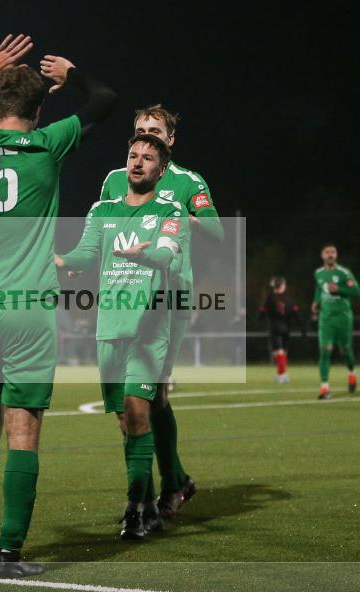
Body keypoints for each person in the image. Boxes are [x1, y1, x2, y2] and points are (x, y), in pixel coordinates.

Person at [0, 34, 115, 578]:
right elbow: (104, 99)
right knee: (24, 428)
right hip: (29, 308)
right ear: (39, 109)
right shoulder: (49, 143)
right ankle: (9, 552)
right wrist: (72, 74)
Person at [56, 133, 187, 540]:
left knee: (136, 411)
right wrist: (59, 260)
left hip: (149, 329)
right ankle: (148, 505)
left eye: (147, 158)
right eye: (132, 155)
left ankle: (133, 508)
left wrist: (143, 255)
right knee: (126, 423)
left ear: (160, 170)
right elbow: (86, 254)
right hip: (109, 328)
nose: (137, 163)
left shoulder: (171, 210)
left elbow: (167, 254)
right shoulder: (102, 210)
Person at [98, 104, 222, 520]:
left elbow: (218, 231)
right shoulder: (116, 179)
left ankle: (162, 492)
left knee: (153, 395)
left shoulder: (188, 182)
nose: (145, 135)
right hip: (124, 298)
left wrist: (182, 219)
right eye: (139, 130)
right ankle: (159, 491)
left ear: (170, 140)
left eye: (154, 130)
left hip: (169, 298)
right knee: (127, 406)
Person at [311, 243, 360, 399]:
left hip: (343, 318)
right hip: (326, 319)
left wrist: (339, 290)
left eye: (333, 252)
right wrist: (316, 302)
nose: (330, 254)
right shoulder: (318, 273)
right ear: (322, 255)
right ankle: (324, 388)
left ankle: (352, 373)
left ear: (336, 255)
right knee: (324, 351)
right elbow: (319, 289)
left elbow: (357, 292)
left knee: (345, 350)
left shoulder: (344, 273)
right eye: (327, 252)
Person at [257, 276, 307, 383]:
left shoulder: (270, 298)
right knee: (283, 352)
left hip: (275, 328)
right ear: (282, 286)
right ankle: (281, 374)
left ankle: (283, 374)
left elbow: (262, 311)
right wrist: (303, 328)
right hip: (287, 329)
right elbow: (297, 314)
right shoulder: (289, 299)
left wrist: (259, 319)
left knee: (278, 352)